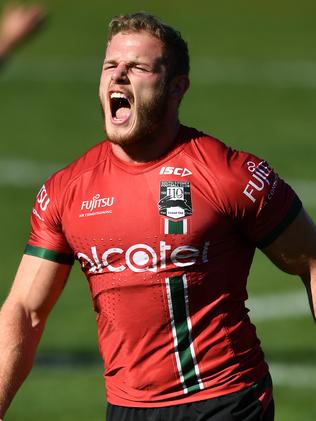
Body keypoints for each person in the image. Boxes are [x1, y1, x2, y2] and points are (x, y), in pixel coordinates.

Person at [0, 11, 315, 421]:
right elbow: (26, 309)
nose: (118, 77)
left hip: (225, 400)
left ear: (175, 88)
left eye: (138, 68)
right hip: (127, 409)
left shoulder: (229, 175)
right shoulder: (67, 191)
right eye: (111, 66)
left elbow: (311, 260)